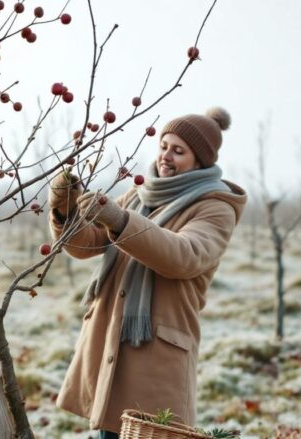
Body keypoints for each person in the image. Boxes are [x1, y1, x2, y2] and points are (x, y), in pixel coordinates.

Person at [47, 107, 247, 437]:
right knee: (106, 432)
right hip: (111, 339)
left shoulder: (215, 207)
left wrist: (120, 220)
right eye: (164, 146)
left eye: (178, 151)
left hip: (154, 353)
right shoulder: (140, 195)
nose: (166, 156)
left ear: (201, 160)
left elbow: (184, 255)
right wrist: (65, 210)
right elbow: (87, 245)